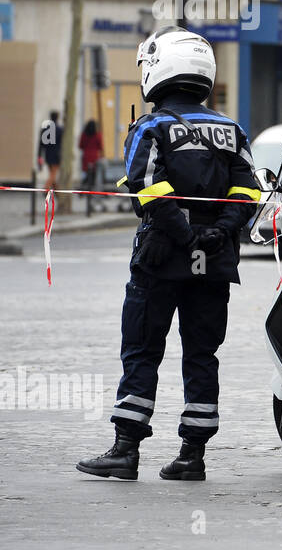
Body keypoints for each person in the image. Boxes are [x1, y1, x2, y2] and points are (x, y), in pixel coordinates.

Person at [76, 26, 260, 482]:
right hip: (215, 263)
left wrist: (183, 234)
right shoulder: (231, 130)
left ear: (157, 70)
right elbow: (248, 192)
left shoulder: (152, 126)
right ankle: (192, 456)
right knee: (202, 355)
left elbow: (147, 188)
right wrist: (216, 234)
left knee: (141, 350)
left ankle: (125, 451)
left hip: (161, 260)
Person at [79, 120, 105, 209]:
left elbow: (80, 145)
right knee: (93, 176)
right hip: (94, 157)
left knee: (86, 175)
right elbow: (100, 146)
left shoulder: (84, 135)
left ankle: (82, 190)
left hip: (85, 157)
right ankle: (90, 192)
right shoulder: (98, 135)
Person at [36, 109, 64, 192]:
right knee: (53, 174)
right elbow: (62, 144)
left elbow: (41, 143)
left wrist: (39, 155)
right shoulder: (60, 129)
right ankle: (46, 188)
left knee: (52, 174)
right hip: (56, 155)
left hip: (47, 154)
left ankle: (57, 191)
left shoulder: (45, 129)